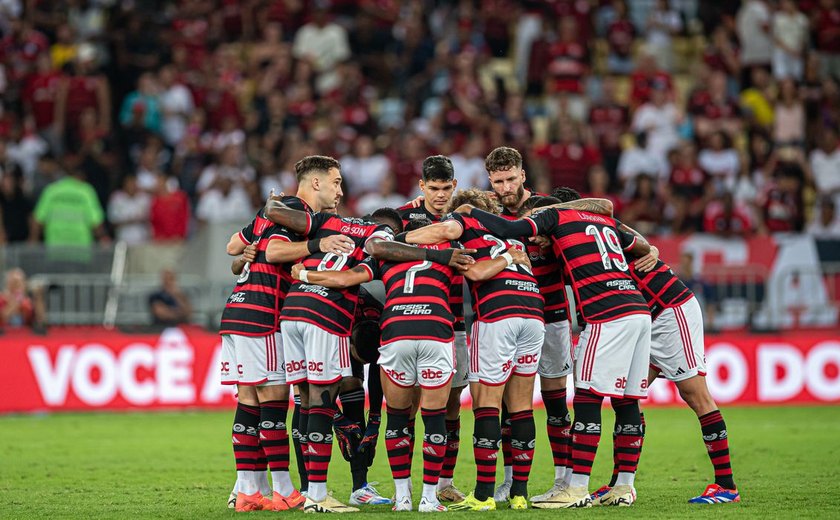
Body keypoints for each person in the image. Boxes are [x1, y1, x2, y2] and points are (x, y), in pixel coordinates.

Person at [262, 161, 474, 514]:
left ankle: (301, 489)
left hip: (292, 312)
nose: (341, 191)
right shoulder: (384, 242)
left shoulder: (336, 223)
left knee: (305, 400)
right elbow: (364, 265)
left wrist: (278, 217)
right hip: (338, 316)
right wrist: (438, 253)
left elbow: (284, 221)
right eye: (336, 183)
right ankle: (324, 494)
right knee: (331, 402)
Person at [457, 191, 652, 508]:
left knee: (586, 397)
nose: (537, 242)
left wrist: (468, 214)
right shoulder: (603, 221)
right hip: (638, 311)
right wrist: (653, 249)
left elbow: (508, 230)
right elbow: (642, 245)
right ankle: (624, 487)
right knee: (628, 401)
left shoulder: (555, 218)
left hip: (604, 314)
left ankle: (575, 488)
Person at [554, 188, 741, 505]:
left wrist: (651, 248)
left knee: (695, 394)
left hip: (669, 310)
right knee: (624, 400)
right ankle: (620, 485)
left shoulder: (592, 229)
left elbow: (631, 233)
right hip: (638, 318)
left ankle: (727, 485)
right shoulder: (582, 237)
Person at [401, 188, 544, 511]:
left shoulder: (466, 226)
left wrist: (400, 238)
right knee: (521, 405)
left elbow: (477, 272)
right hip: (534, 314)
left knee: (486, 404)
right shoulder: (512, 234)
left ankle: (483, 495)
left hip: (497, 316)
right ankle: (519, 493)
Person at [396, 156, 469, 503]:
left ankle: (444, 482)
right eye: (434, 188)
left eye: (446, 188)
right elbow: (377, 242)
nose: (440, 195)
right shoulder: (403, 217)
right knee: (408, 407)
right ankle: (406, 485)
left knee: (451, 405)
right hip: (411, 319)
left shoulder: (464, 219)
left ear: (454, 186)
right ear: (422, 185)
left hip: (453, 324)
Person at [0, 268, 46, 332]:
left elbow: (41, 320)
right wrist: (19, 296)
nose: (17, 285)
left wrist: (38, 297)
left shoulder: (28, 301)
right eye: (15, 282)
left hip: (25, 337)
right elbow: (4, 316)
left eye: (20, 282)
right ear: (8, 282)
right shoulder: (2, 298)